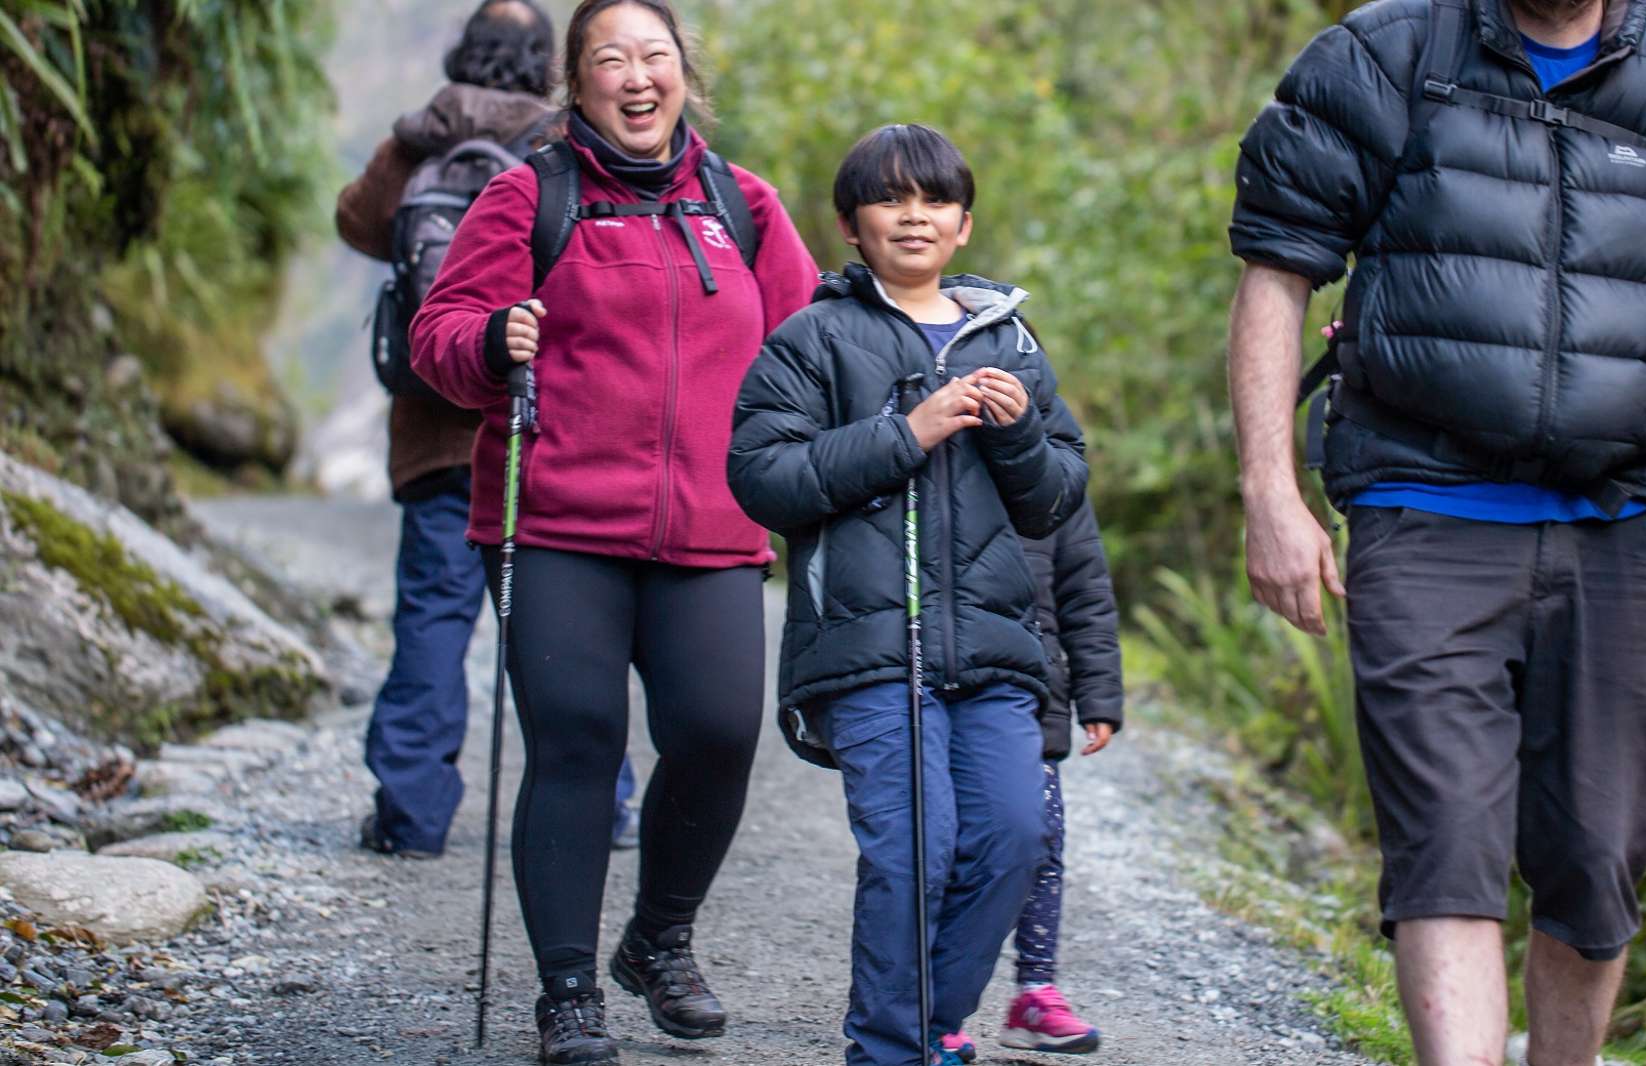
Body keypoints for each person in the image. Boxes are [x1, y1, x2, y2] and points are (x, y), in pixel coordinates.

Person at [1226, 0, 1646, 1062]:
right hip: (1422, 512)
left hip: (1616, 528)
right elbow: (1277, 269)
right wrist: (1269, 490)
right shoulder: (1386, 56)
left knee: (1598, 861)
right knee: (1446, 841)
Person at [407, 0, 820, 1061]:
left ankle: (658, 937)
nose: (636, 76)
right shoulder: (526, 197)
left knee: (721, 735)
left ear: (684, 73)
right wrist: (493, 339)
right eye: (609, 59)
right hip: (554, 526)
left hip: (715, 529)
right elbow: (438, 339)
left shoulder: (746, 206)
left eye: (654, 56)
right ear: (575, 83)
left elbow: (810, 349)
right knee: (578, 739)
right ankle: (569, 992)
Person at [728, 123, 1090, 1066]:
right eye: (891, 200)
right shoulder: (812, 337)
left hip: (996, 647)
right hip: (869, 650)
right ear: (851, 225)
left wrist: (1012, 437)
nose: (914, 216)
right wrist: (909, 431)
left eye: (934, 201)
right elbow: (762, 477)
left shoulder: (1009, 339)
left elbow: (1056, 498)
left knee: (1011, 838)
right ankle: (889, 1047)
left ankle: (929, 1023)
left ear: (964, 224)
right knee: (914, 851)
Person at [336, 0, 636, 860]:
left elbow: (358, 222)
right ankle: (605, 802)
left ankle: (411, 814)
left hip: (433, 434)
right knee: (563, 631)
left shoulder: (418, 139)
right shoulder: (566, 147)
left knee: (432, 618)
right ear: (552, 63)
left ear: (463, 51)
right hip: (542, 433)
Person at [941, 496, 1123, 1062]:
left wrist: (1099, 695)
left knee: (1039, 841)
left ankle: (1034, 993)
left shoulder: (1052, 478)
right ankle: (928, 1001)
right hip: (939, 686)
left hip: (1032, 694)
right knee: (939, 847)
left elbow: (1086, 594)